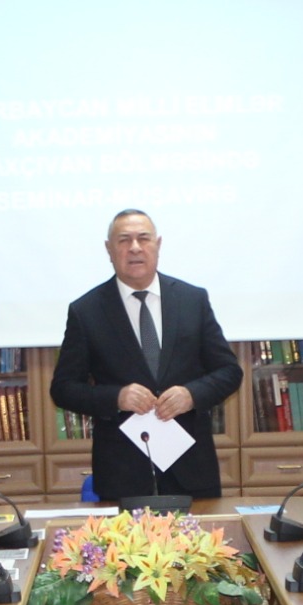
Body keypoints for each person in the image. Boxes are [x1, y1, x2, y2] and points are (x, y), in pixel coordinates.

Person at [48, 208, 243, 501]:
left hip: (191, 468)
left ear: (158, 245)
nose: (135, 247)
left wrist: (191, 395)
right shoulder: (86, 311)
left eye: (143, 238)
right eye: (124, 240)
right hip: (123, 472)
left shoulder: (192, 300)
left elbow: (229, 372)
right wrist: (116, 397)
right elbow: (63, 389)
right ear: (109, 249)